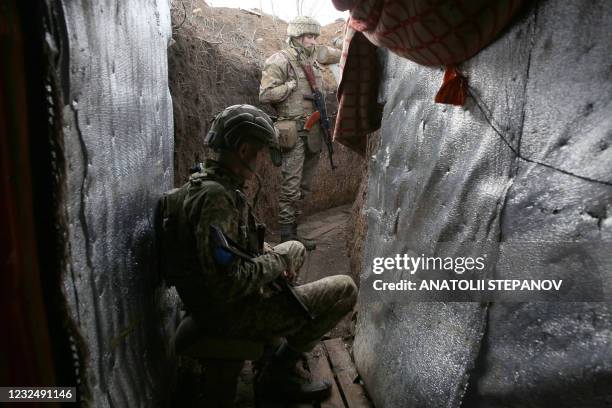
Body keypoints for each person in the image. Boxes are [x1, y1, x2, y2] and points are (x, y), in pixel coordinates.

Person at [161, 105, 357, 402]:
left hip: (219, 301)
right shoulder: (217, 199)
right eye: (261, 151)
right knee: (346, 289)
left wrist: (272, 256)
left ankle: (276, 338)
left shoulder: (210, 183)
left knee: (295, 247)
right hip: (230, 313)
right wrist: (276, 263)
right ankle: (278, 373)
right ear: (243, 150)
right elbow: (228, 283)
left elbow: (235, 246)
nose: (263, 159)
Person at [259, 16, 342, 250]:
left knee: (304, 187)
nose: (313, 41)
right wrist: (288, 88)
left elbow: (333, 54)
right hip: (292, 132)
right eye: (308, 36)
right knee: (291, 186)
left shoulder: (313, 60)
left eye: (315, 36)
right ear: (296, 36)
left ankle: (295, 233)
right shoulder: (280, 60)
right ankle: (286, 238)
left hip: (313, 131)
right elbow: (265, 95)